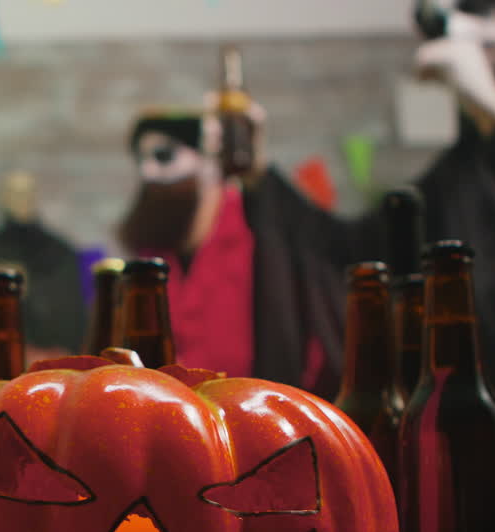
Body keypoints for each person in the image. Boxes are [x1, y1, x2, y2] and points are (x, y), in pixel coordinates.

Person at [231, 0, 495, 388]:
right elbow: (357, 254)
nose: (465, 29)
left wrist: (494, 110)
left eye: (483, 12)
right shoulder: (466, 166)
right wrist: (259, 177)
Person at [117, 110, 345, 397]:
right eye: (141, 160)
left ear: (207, 161)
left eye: (163, 156)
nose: (148, 172)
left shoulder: (263, 239)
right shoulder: (149, 257)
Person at [0, 171, 87, 364]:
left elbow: (74, 312)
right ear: (1, 197)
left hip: (53, 362)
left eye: (25, 192)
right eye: (12, 192)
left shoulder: (61, 251)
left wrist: (55, 352)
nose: (19, 198)